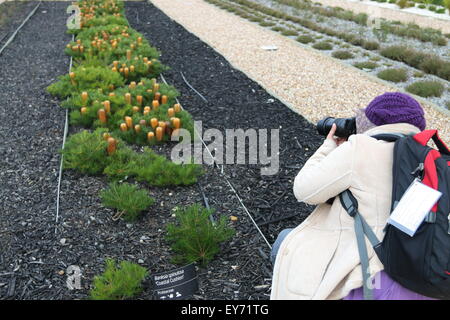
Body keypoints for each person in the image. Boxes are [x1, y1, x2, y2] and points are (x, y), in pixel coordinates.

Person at [270, 92, 436, 300]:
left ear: (374, 121)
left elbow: (304, 190)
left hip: (365, 275)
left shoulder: (361, 148)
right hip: (422, 276)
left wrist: (328, 148)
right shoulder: (432, 160)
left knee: (285, 241)